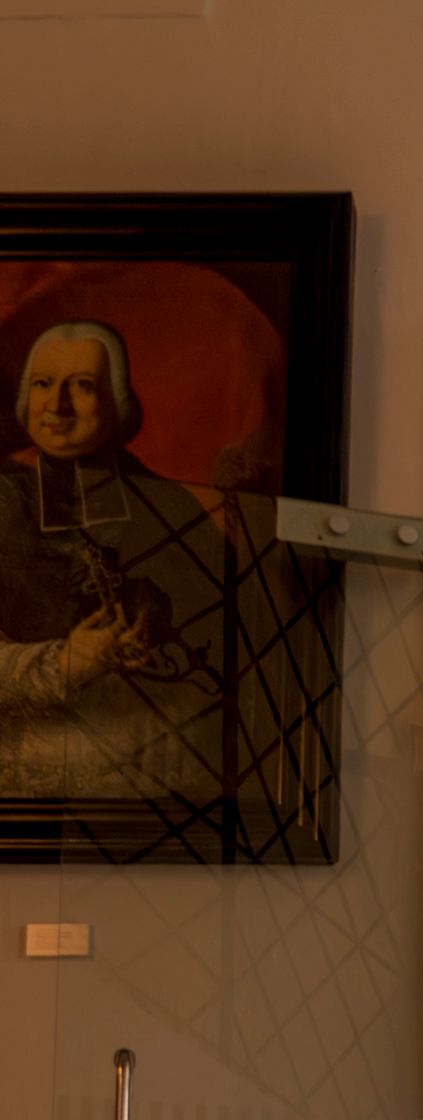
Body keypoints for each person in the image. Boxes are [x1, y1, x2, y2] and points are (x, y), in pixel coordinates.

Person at [0, 320, 224, 804]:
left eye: (82, 386)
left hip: (152, 781)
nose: (57, 405)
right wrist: (63, 663)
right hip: (22, 783)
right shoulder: (3, 499)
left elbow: (226, 651)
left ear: (117, 402)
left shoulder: (171, 509)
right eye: (43, 384)